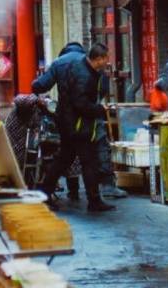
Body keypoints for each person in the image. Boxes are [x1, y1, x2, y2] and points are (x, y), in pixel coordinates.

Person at [32, 42, 117, 212]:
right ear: (97, 58)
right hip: (78, 124)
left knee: (65, 158)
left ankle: (44, 194)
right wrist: (99, 109)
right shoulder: (83, 72)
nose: (107, 62)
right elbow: (81, 103)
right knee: (89, 160)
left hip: (66, 120)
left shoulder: (64, 64)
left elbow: (38, 86)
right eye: (105, 58)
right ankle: (93, 201)